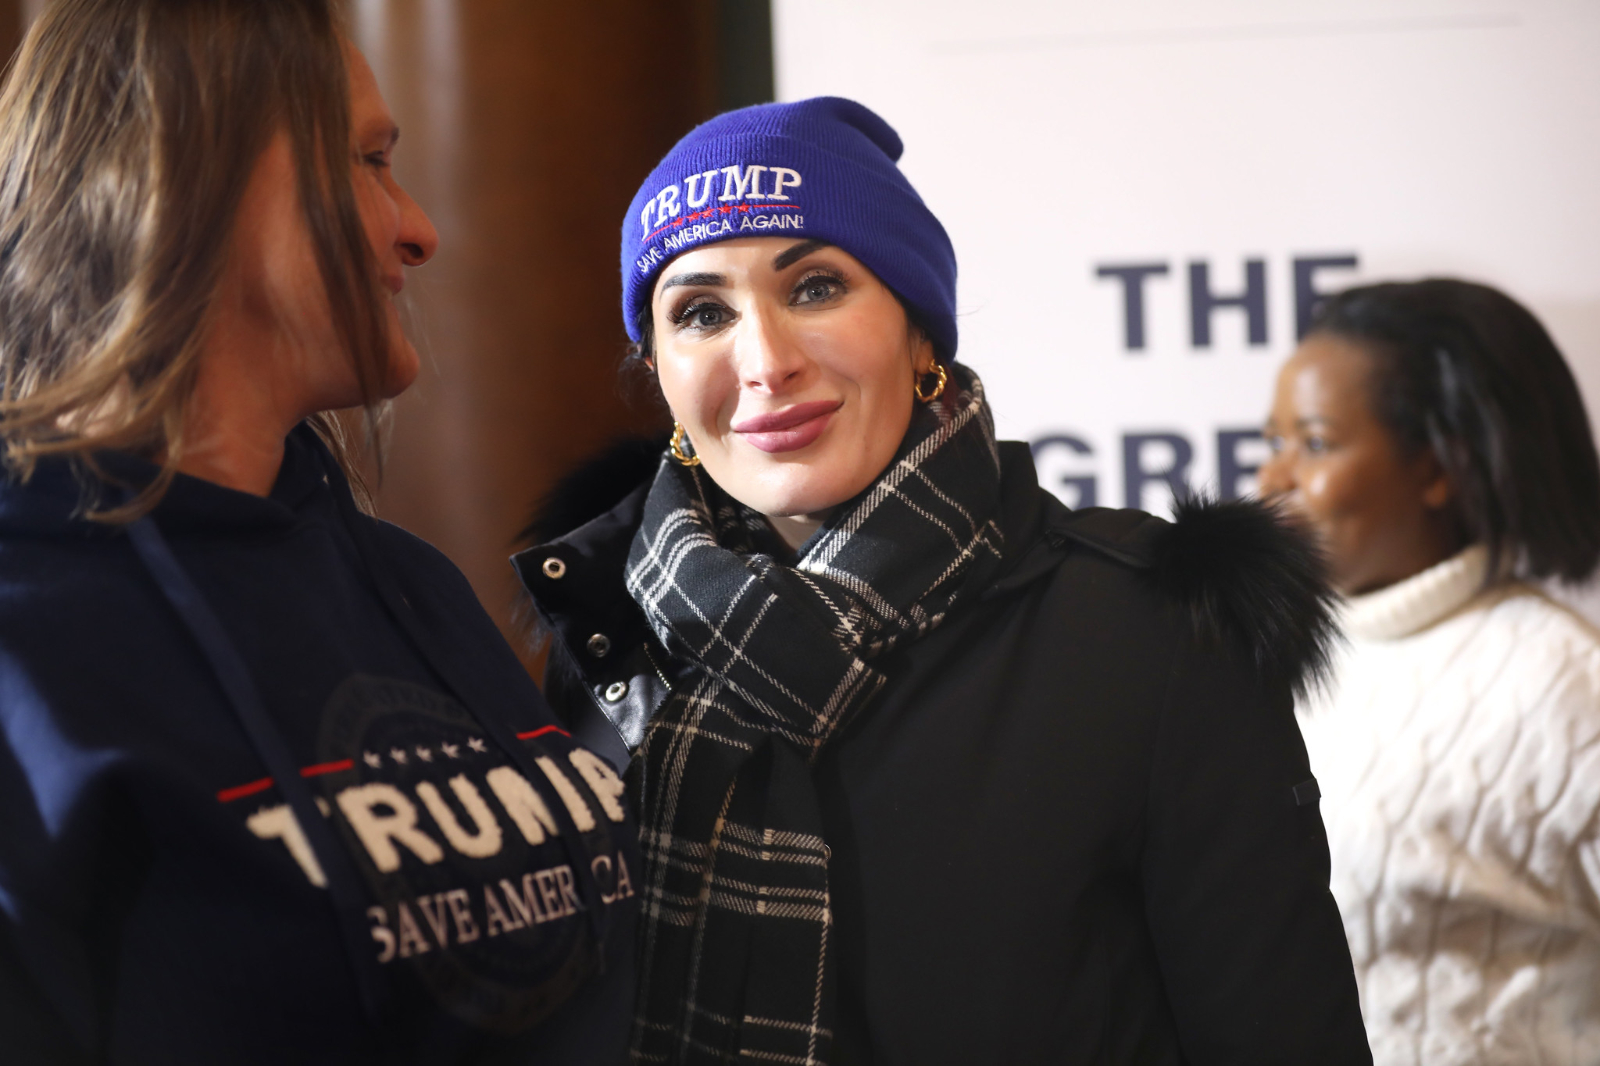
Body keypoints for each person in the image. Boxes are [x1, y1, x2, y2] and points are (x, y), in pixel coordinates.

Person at [517, 96, 1372, 1065]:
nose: (764, 362)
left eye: (814, 288)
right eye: (701, 312)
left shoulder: (1150, 632)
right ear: (659, 371)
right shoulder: (601, 640)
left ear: (921, 334)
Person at [0, 2, 637, 1063]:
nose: (417, 227)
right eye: (371, 160)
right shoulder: (27, 633)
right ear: (192, 176)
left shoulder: (411, 581)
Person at [1260, 279, 1600, 1065]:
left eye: (1314, 443)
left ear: (1438, 465)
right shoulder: (1258, 665)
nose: (1272, 479)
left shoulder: (1565, 685)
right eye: (1272, 440)